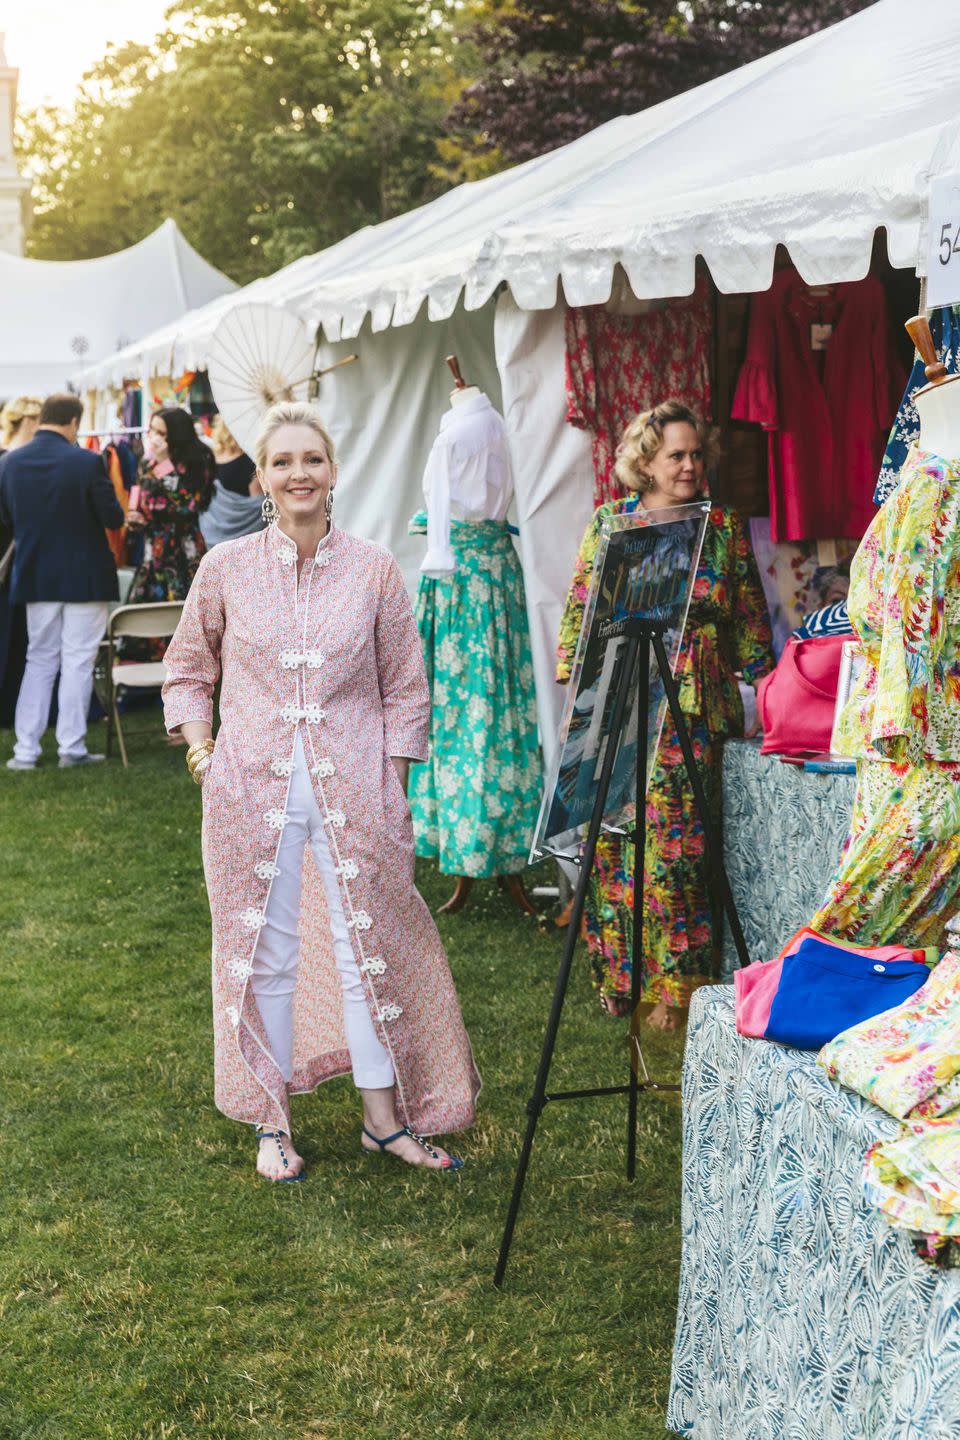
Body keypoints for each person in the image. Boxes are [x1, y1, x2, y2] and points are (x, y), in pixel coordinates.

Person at [161, 400, 480, 1183]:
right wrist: (203, 752)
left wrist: (393, 778)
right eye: (282, 461)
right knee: (262, 956)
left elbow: (408, 685)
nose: (298, 473)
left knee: (365, 949)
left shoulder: (373, 567)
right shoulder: (225, 568)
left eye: (312, 458)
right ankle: (272, 1124)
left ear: (333, 471)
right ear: (262, 478)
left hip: (356, 792)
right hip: (248, 795)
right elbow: (185, 669)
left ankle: (384, 1121)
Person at [557, 399, 773, 1030]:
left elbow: (751, 618)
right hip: (627, 700)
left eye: (696, 453)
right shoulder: (612, 524)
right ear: (644, 461)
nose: (689, 465)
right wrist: (582, 694)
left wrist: (766, 685)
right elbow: (581, 613)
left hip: (698, 706)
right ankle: (625, 980)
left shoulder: (723, 527)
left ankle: (680, 993)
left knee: (683, 845)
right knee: (621, 843)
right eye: (676, 454)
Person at [0, 392, 124, 769]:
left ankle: (26, 750)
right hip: (84, 574)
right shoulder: (86, 461)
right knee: (78, 660)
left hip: (36, 573)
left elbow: (6, 519)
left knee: (38, 659)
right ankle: (71, 747)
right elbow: (113, 517)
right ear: (73, 422)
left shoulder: (10, 463)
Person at [125, 406, 214, 610]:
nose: (154, 437)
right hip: (153, 553)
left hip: (184, 551)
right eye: (152, 430)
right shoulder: (147, 462)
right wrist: (135, 516)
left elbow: (187, 506)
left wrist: (164, 463)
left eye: (161, 433)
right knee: (146, 618)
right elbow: (140, 495)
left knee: (184, 615)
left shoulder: (198, 462)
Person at [198, 415, 265, 548]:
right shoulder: (250, 461)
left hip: (210, 534)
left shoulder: (210, 455)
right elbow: (257, 507)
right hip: (242, 541)